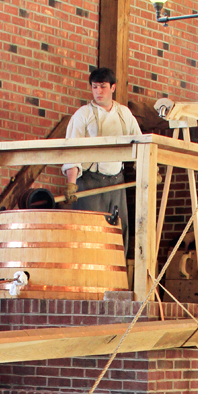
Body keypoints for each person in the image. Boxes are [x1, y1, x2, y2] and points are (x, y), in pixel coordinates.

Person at [62, 66, 142, 254]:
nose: (98, 92)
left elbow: (140, 143)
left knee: (117, 235)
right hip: (90, 182)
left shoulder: (125, 115)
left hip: (116, 182)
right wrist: (71, 183)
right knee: (88, 234)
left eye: (103, 87)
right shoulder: (83, 115)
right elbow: (72, 150)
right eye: (95, 87)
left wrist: (149, 171)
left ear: (113, 88)